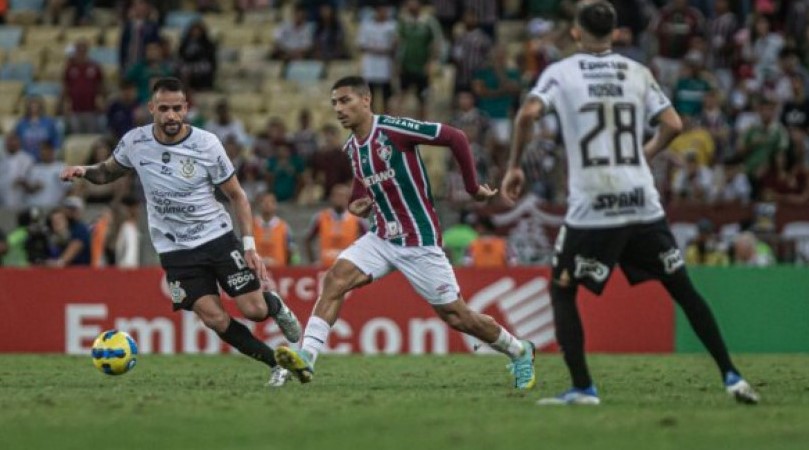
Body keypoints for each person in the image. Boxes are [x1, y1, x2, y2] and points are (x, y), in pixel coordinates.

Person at [500, 1, 759, 405]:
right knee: (683, 289)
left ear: (574, 32)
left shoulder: (562, 72)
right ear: (616, 32)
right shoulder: (637, 72)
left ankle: (583, 388)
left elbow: (526, 115)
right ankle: (732, 375)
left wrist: (515, 166)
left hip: (594, 204)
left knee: (563, 290)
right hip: (641, 200)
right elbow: (673, 124)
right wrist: (645, 153)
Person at [273, 76, 536, 390]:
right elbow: (360, 190)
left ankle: (519, 350)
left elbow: (455, 137)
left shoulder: (393, 130)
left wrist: (471, 187)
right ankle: (308, 357)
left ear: (366, 100)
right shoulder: (353, 147)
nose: (339, 109)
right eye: (334, 103)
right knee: (334, 280)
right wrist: (357, 204)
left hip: (419, 240)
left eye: (345, 101)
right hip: (382, 237)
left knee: (457, 316)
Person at [60, 77, 302, 387]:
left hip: (216, 238)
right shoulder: (135, 142)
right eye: (164, 109)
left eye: (177, 108)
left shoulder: (206, 144)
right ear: (152, 109)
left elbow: (238, 196)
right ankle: (275, 364)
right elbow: (108, 170)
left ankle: (276, 306)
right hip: (175, 251)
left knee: (254, 311)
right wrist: (84, 171)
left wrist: (250, 246)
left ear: (186, 108)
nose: (171, 116)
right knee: (214, 318)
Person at [304, 184, 365, 268]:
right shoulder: (320, 218)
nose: (339, 199)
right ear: (331, 198)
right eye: (337, 196)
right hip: (325, 266)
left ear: (348, 199)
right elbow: (308, 239)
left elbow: (368, 241)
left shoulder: (357, 220)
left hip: (348, 267)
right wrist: (313, 261)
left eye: (342, 196)